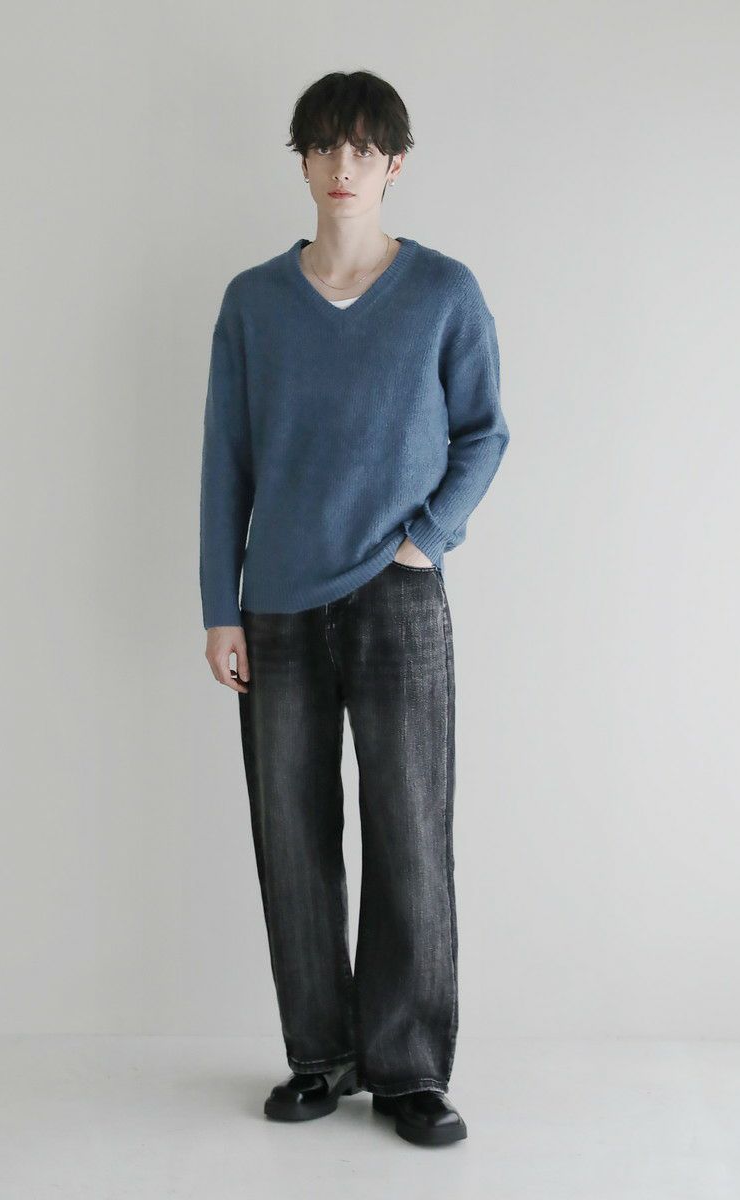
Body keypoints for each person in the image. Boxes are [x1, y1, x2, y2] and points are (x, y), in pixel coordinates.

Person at [199, 70, 509, 1147]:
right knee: (292, 838)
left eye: (365, 149)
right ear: (302, 160)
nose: (344, 167)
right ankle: (318, 1058)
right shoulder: (253, 302)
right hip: (278, 608)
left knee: (410, 834)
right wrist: (220, 606)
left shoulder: (442, 292)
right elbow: (226, 461)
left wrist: (426, 541)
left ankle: (410, 1071)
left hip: (398, 601)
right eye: (326, 145)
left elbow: (484, 432)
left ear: (395, 165)